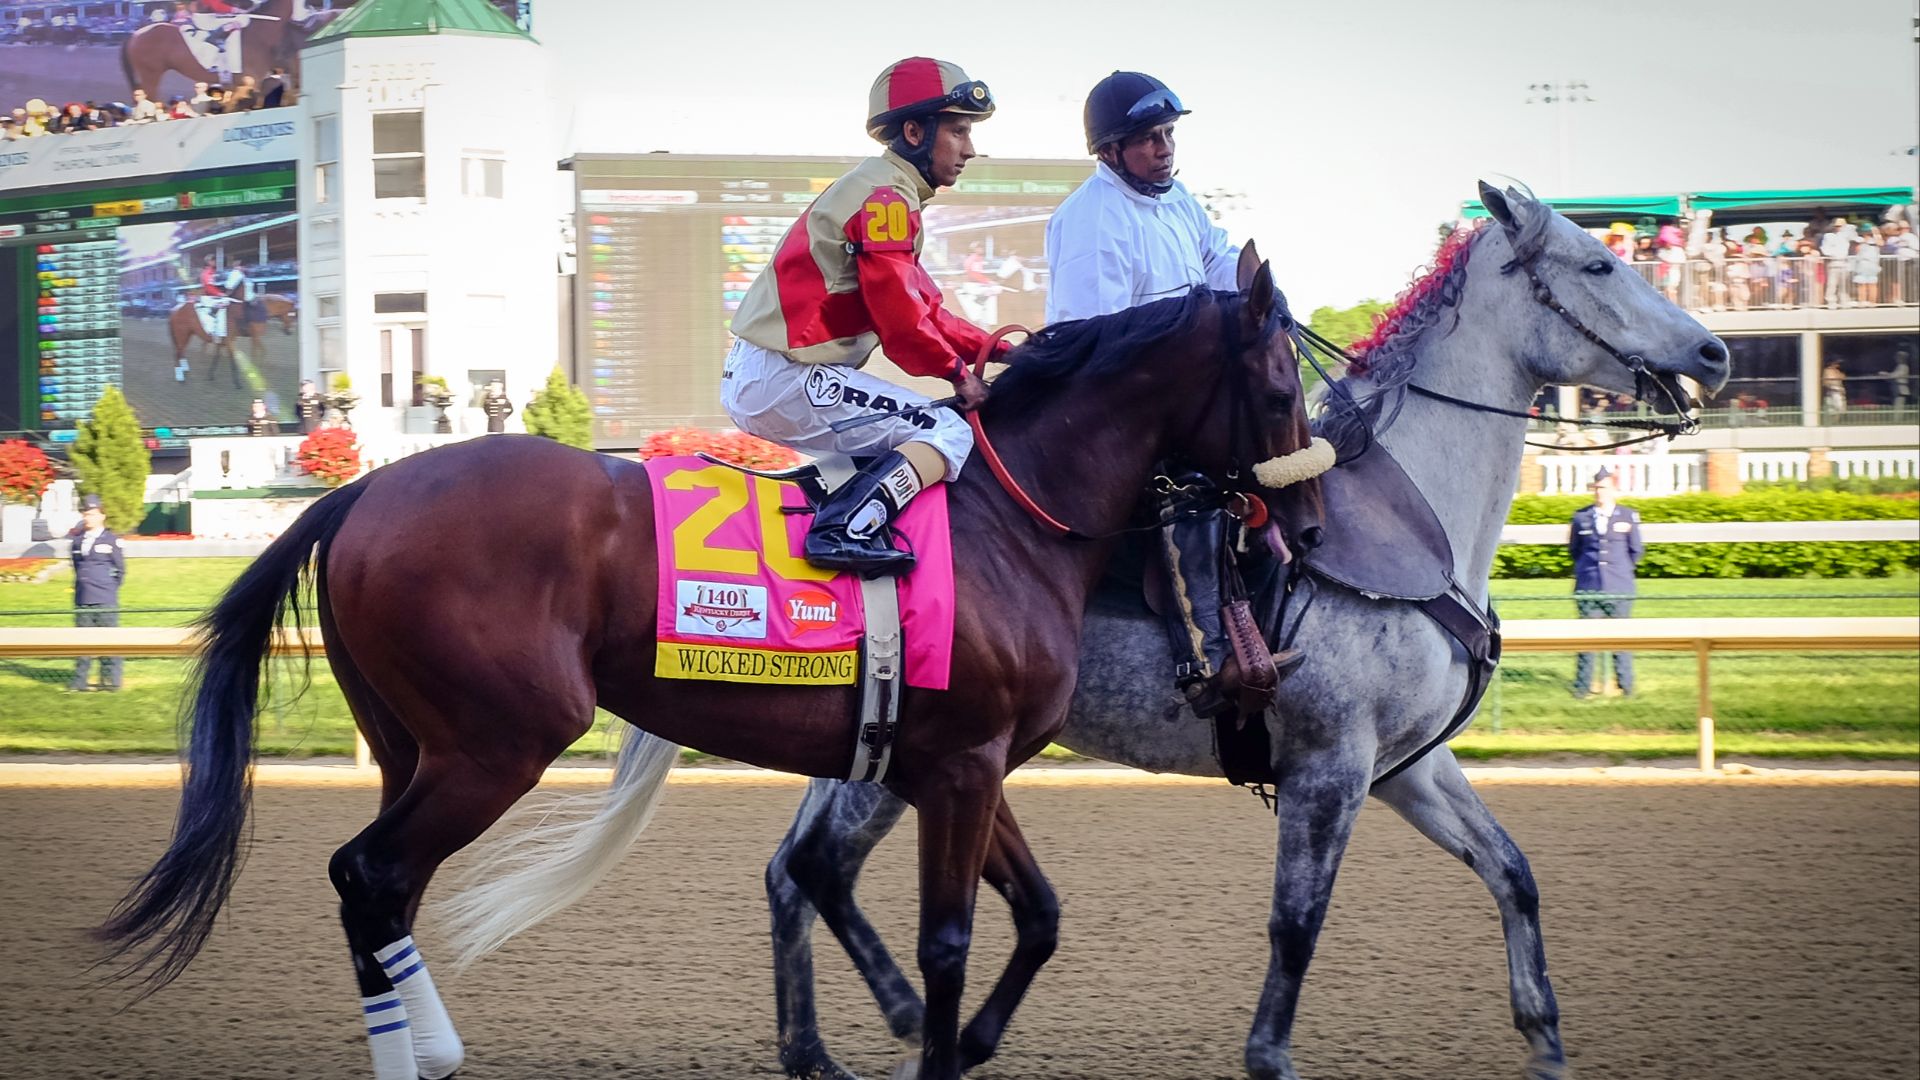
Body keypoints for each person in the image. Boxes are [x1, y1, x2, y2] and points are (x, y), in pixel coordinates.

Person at [1044, 70, 1301, 711]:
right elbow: (1094, 341)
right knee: (1191, 493)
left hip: (1178, 403)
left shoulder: (1177, 198)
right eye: (1148, 139)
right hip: (1114, 413)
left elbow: (1219, 260)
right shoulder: (1089, 220)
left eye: (1167, 135)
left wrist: (1262, 299)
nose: (1164, 149)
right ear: (1109, 151)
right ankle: (1208, 664)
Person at [720, 57, 999, 576]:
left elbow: (927, 310)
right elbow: (902, 325)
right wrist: (960, 377)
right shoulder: (886, 200)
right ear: (914, 131)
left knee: (908, 439)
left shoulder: (884, 190)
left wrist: (1003, 351)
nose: (970, 149)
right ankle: (840, 530)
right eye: (958, 131)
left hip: (771, 372)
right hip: (788, 377)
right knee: (948, 431)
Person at [1569, 471, 1642, 698]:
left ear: (1614, 490)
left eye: (1605, 488)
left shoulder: (1627, 516)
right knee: (1587, 640)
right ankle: (1583, 688)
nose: (1601, 492)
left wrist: (1618, 572)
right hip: (1589, 586)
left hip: (1619, 586)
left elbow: (1636, 551)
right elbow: (1575, 550)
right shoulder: (1581, 517)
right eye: (1597, 488)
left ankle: (1625, 685)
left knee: (1621, 640)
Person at [68, 495, 126, 693]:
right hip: (83, 599)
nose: (88, 518)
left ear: (102, 515)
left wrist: (107, 588)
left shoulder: (112, 541)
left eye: (92, 514)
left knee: (109, 643)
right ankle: (79, 682)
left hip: (105, 599)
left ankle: (111, 683)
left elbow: (120, 570)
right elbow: (77, 567)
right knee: (82, 645)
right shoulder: (77, 541)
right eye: (86, 514)